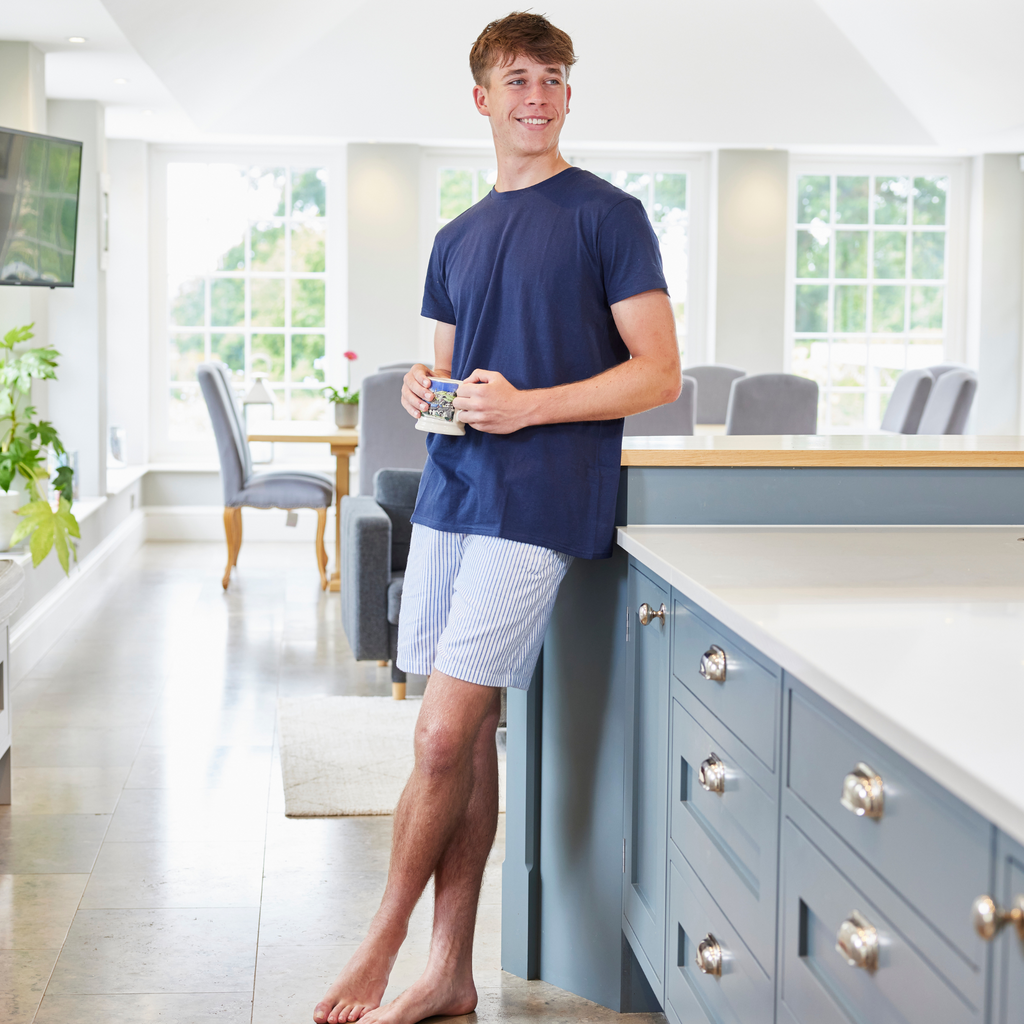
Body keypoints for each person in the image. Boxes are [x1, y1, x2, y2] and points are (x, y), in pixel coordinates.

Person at [314, 12, 680, 1024]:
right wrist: (422, 392)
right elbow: (445, 373)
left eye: (552, 78)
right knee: (460, 737)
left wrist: (529, 407)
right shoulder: (456, 237)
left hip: (540, 501)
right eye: (517, 79)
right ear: (481, 98)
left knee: (437, 739)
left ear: (568, 95)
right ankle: (449, 971)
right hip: (451, 495)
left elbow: (658, 371)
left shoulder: (609, 215)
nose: (537, 95)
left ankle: (380, 943)